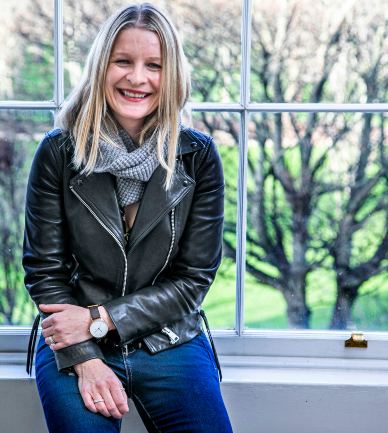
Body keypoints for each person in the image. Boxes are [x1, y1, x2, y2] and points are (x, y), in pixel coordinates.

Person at [22, 3, 233, 432]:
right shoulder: (58, 153)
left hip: (169, 338)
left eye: (153, 65)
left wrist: (101, 320)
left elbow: (193, 280)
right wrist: (85, 354)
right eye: (123, 61)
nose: (138, 78)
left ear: (170, 75)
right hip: (73, 339)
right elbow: (45, 270)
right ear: (102, 67)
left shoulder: (199, 157)